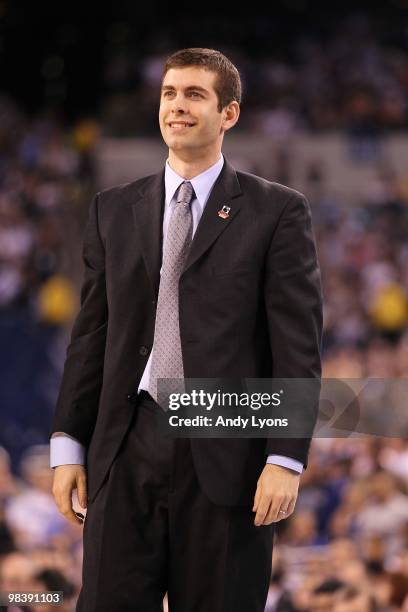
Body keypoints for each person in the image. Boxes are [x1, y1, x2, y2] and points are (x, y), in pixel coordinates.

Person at [49, 47, 323, 612]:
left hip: (228, 450)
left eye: (195, 94)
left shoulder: (278, 212)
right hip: (126, 445)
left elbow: (297, 348)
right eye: (170, 93)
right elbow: (92, 338)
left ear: (230, 113)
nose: (177, 105)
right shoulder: (112, 209)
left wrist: (285, 458)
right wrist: (68, 444)